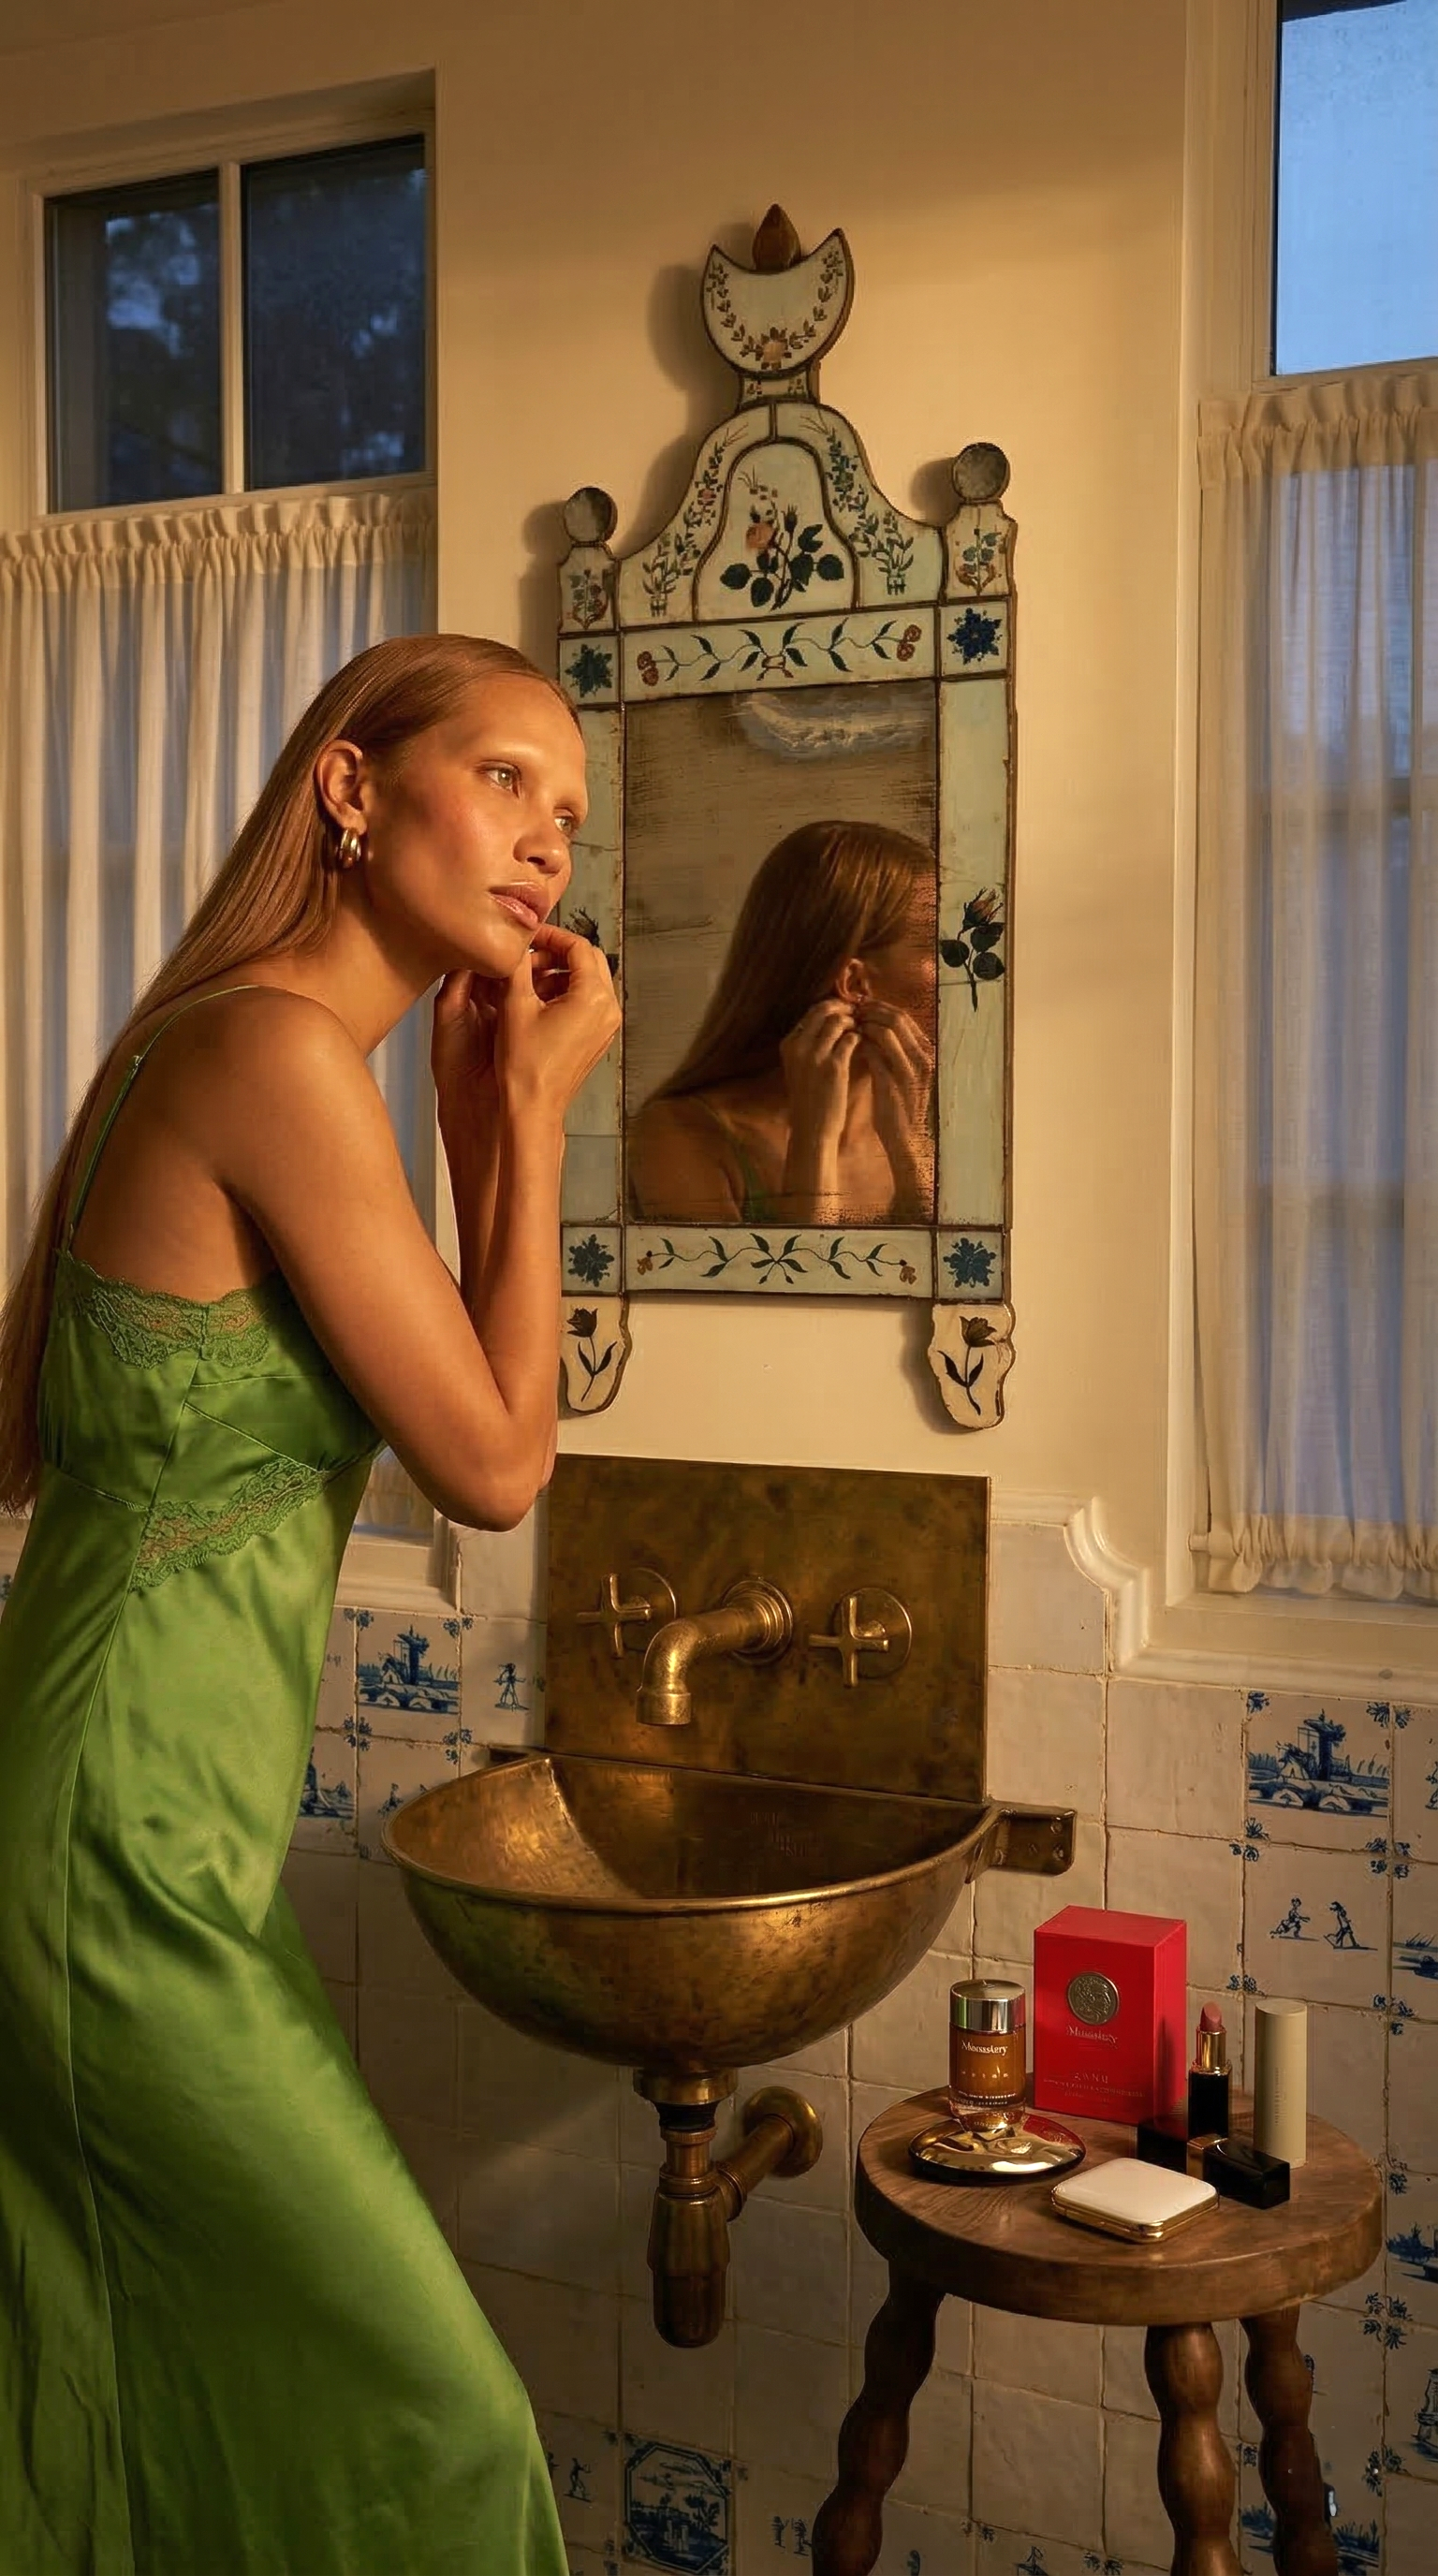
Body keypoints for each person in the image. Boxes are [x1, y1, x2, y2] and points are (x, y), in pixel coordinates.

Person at [0, 634, 619, 2576]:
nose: (548, 844)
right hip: (118, 1859)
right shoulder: (270, 1051)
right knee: (438, 2420)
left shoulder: (239, 1049)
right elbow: (500, 1465)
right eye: (508, 778)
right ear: (350, 785)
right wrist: (532, 1122)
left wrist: (480, 1125)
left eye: (575, 817)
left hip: (123, 1823)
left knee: (139, 2386)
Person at [627, 818, 936, 1227]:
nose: (965, 972)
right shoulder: (680, 1136)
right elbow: (796, 1287)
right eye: (940, 948)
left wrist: (913, 1150)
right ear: (855, 983)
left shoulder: (941, 1127)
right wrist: (814, 1142)